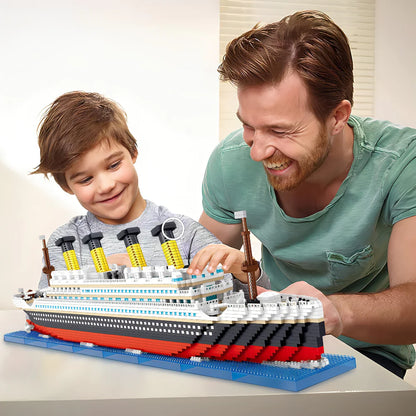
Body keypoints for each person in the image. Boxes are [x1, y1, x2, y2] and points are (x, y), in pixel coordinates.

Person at [188, 10, 416, 378]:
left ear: (337, 116)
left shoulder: (403, 163)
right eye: (249, 126)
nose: (257, 151)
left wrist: (335, 313)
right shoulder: (231, 161)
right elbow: (198, 268)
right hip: (272, 340)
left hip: (368, 353)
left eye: (280, 131)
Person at [32, 91, 247, 288]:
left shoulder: (186, 233)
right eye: (86, 179)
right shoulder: (65, 242)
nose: (106, 186)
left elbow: (245, 295)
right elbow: (45, 306)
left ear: (133, 151)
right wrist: (92, 279)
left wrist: (245, 269)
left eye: (114, 165)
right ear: (66, 186)